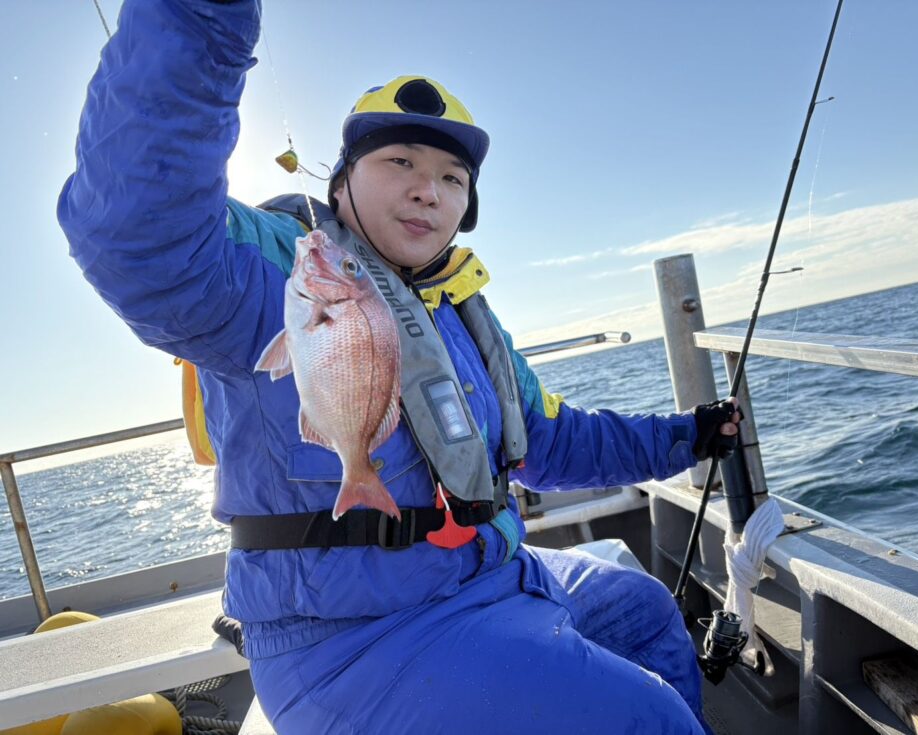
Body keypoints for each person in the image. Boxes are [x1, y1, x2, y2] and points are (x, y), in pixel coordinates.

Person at [58, 2, 740, 733]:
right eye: (401, 163)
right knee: (651, 719)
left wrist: (685, 436)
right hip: (353, 640)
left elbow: (555, 439)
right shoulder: (283, 269)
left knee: (646, 611)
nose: (429, 189)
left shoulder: (464, 315)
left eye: (453, 177)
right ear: (343, 181)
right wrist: (205, 16)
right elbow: (138, 233)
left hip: (498, 578)